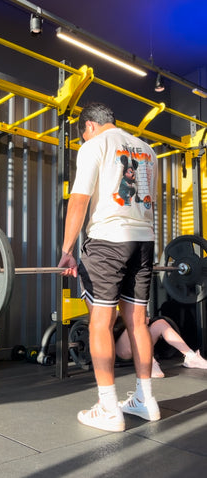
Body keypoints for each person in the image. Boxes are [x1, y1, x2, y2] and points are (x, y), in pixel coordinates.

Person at [58, 102, 159, 432]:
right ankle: (146, 400)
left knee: (100, 320)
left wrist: (67, 249)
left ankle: (108, 408)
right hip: (143, 240)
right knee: (138, 322)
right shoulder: (147, 150)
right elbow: (146, 203)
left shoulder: (94, 145)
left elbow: (80, 198)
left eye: (83, 132)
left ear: (89, 126)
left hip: (108, 241)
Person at [115, 315, 207, 378]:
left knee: (160, 323)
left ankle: (192, 358)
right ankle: (148, 362)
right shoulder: (109, 297)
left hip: (134, 340)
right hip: (118, 349)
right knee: (137, 321)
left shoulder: (130, 297)